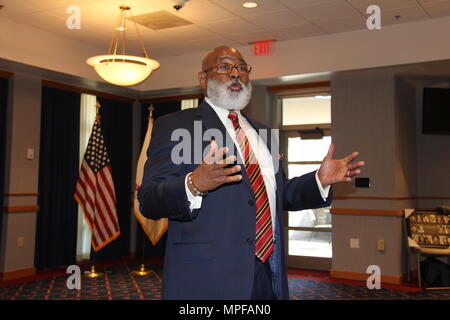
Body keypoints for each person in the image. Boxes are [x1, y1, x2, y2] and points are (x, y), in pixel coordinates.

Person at [138, 46, 365, 300]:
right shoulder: (176, 126)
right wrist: (194, 183)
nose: (236, 74)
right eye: (224, 67)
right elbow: (149, 200)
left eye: (242, 68)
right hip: (209, 277)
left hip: (268, 272)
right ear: (203, 79)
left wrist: (318, 181)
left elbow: (279, 194)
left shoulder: (265, 133)